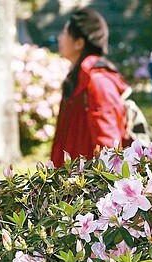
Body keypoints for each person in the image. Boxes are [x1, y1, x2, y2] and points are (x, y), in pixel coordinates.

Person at [50, 7, 130, 168]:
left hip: (87, 188)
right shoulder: (79, 77)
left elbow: (109, 145)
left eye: (64, 33)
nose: (59, 38)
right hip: (71, 184)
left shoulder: (98, 82)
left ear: (79, 43)